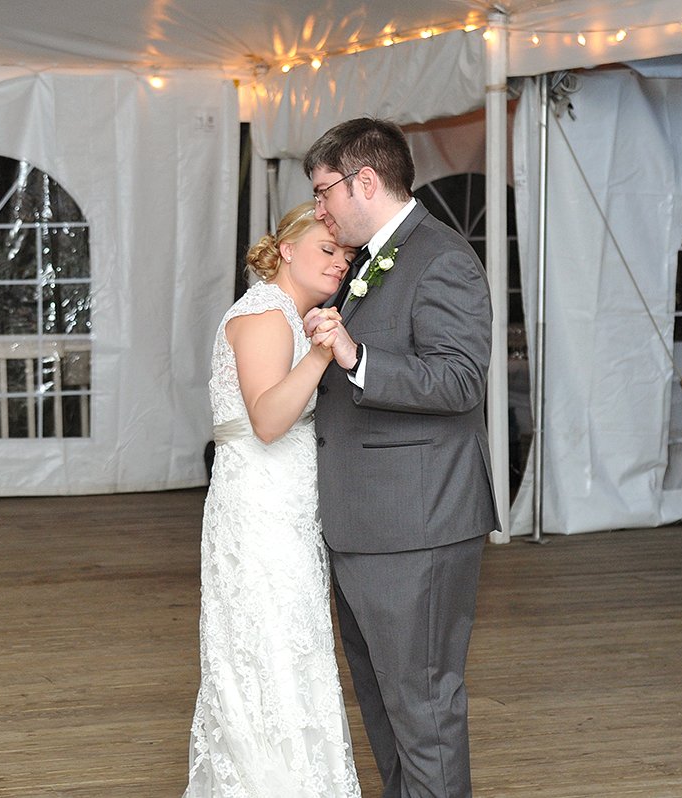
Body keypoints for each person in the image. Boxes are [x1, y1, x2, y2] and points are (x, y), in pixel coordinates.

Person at [303, 118, 501, 798]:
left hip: (415, 529)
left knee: (424, 709)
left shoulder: (441, 257)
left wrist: (356, 357)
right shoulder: (364, 262)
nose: (320, 208)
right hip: (364, 526)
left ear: (365, 181)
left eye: (325, 190)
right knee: (386, 709)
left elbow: (460, 381)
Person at [182, 201, 362, 798]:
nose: (340, 263)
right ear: (285, 249)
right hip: (259, 516)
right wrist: (318, 355)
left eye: (346, 254)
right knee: (270, 659)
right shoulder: (264, 315)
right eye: (326, 250)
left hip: (284, 512)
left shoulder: (287, 311)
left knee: (291, 653)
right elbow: (266, 420)